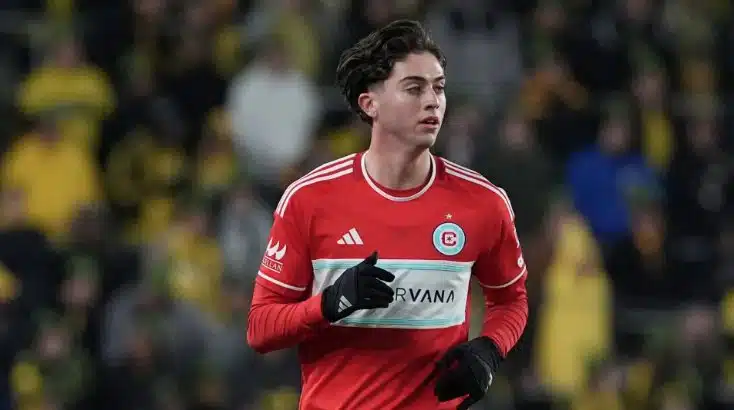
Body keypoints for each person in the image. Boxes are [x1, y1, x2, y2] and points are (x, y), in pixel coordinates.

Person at [247, 20, 528, 410]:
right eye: (414, 88)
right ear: (370, 104)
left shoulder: (483, 203)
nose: (433, 101)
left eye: (439, 88)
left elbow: (511, 299)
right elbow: (261, 328)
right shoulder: (308, 200)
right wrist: (329, 303)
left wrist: (489, 350)